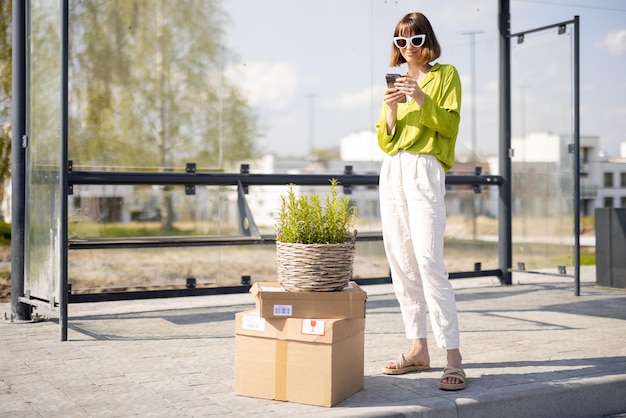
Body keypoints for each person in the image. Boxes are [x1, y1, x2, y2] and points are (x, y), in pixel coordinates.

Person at [375, 12, 465, 391]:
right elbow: (385, 139)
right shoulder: (397, 81)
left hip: (425, 167)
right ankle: (418, 348)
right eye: (401, 41)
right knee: (402, 261)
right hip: (393, 169)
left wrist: (420, 97)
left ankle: (454, 356)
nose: (408, 48)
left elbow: (449, 124)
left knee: (429, 261)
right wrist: (393, 108)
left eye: (414, 39)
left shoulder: (446, 75)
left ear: (427, 39)